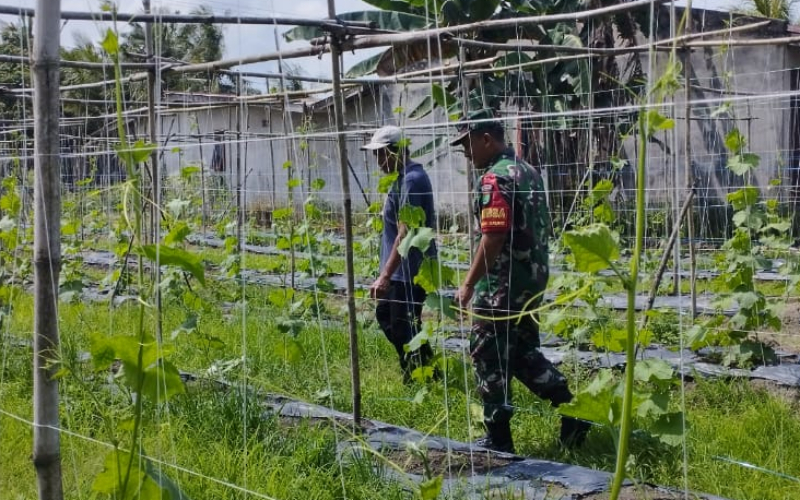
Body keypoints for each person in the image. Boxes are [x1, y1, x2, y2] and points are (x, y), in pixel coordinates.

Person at [450, 109, 590, 453]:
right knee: (521, 351)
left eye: (467, 144)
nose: (465, 152)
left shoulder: (495, 179)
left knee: (487, 352)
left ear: (487, 139)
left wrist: (468, 284)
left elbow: (493, 238)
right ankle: (571, 408)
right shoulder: (528, 172)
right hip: (530, 280)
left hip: (501, 286)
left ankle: (498, 440)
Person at [362, 125, 437, 383]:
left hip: (410, 271)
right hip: (400, 270)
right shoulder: (403, 178)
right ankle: (427, 370)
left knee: (403, 325)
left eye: (382, 154)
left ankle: (417, 377)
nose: (379, 162)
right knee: (389, 318)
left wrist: (385, 275)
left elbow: (404, 233)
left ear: (396, 151)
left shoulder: (411, 180)